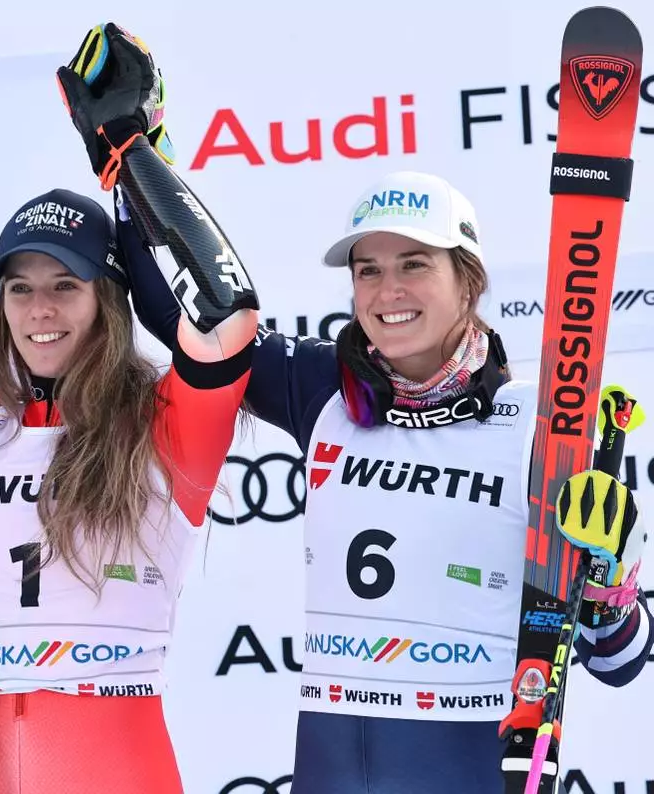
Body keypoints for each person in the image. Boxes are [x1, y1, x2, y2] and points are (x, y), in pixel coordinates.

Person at [125, 168, 653, 792]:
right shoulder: (325, 388)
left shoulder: (540, 428)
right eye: (367, 271)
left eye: (414, 264)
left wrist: (613, 575)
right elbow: (190, 313)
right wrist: (135, 160)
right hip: (329, 773)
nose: (387, 290)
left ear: (469, 280)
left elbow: (618, 662)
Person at [0, 25, 260, 794]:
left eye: (65, 285)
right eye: (20, 288)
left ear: (109, 302)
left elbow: (225, 315)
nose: (39, 309)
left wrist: (133, 154)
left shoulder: (165, 428)